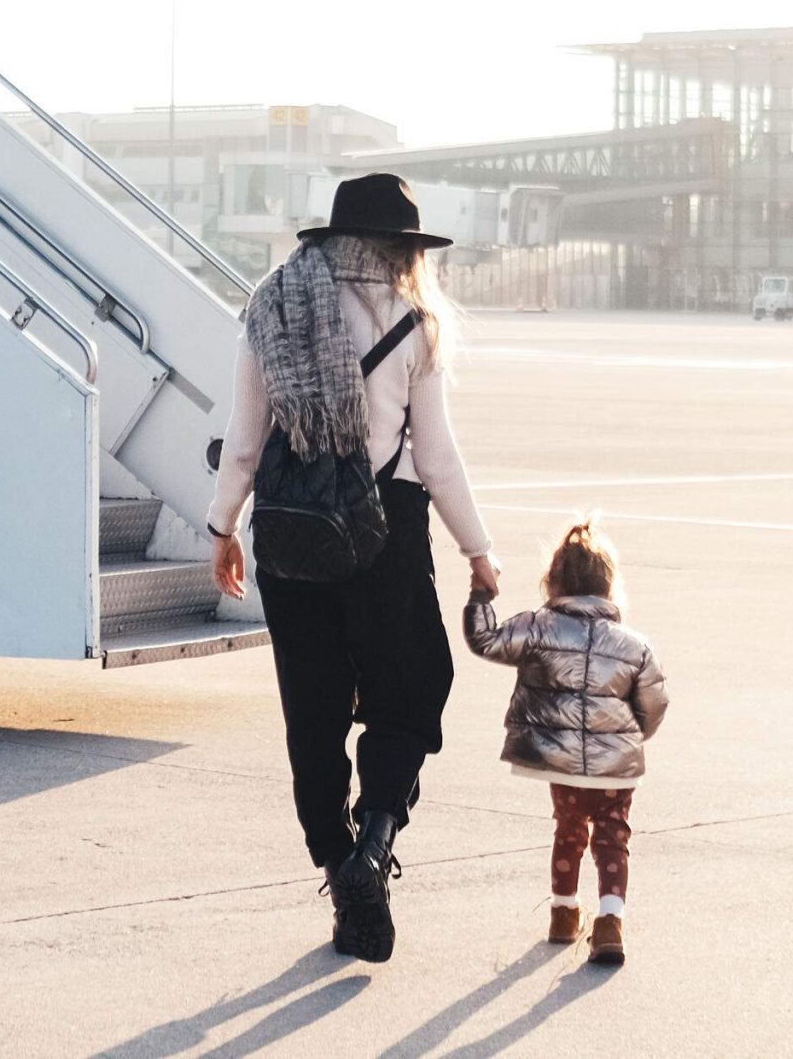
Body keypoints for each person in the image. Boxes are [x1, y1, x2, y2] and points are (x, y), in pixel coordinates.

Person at [209, 172, 501, 963]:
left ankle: (338, 865)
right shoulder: (412, 320)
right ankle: (374, 843)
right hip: (385, 533)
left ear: (331, 237)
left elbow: (245, 437)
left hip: (293, 531)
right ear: (403, 248)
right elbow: (435, 458)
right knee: (409, 689)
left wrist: (221, 526)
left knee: (313, 709)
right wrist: (479, 550)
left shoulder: (271, 308)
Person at [463, 514, 668, 967]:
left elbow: (484, 639)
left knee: (569, 830)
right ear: (610, 585)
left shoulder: (539, 627)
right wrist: (629, 738)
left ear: (552, 582)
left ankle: (562, 911)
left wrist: (481, 595)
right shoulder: (634, 645)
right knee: (613, 834)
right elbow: (655, 701)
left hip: (559, 761)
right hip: (615, 766)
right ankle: (610, 919)